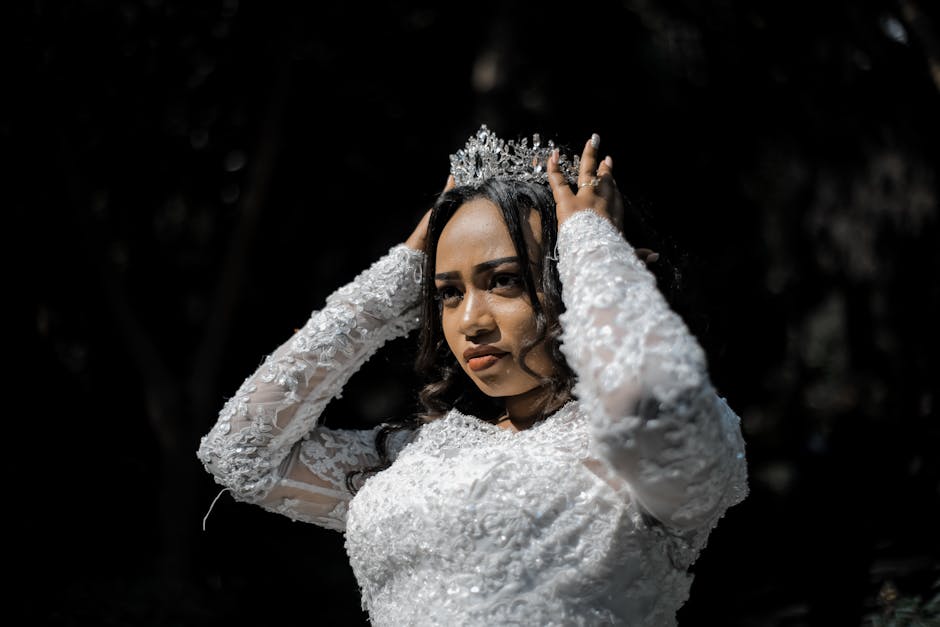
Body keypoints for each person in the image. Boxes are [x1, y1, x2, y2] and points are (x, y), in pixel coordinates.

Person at [197, 125, 749, 626]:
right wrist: (399, 274)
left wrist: (592, 244)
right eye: (447, 293)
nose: (470, 323)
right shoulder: (414, 455)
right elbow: (242, 451)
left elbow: (651, 393)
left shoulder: (645, 447)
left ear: (578, 281)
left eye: (505, 281)